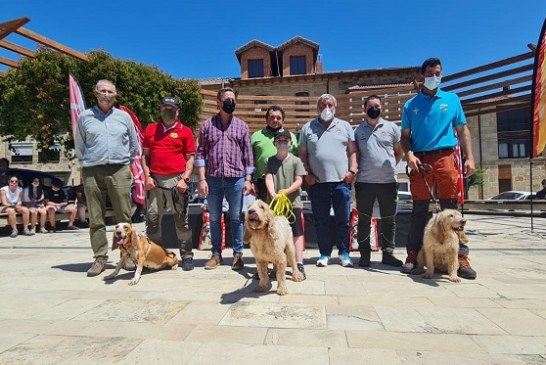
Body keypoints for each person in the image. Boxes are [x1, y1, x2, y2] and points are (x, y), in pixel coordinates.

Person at [400, 57, 476, 279]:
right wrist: (410, 154)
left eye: (438, 73)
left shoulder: (452, 100)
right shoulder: (410, 105)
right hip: (420, 161)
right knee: (418, 211)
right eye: (431, 73)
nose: (435, 77)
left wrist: (470, 157)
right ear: (422, 75)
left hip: (445, 158)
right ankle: (413, 255)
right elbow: (405, 138)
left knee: (452, 211)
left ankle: (460, 257)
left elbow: (462, 130)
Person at [75, 79, 139, 277]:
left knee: (124, 217)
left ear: (115, 94)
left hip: (119, 169)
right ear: (95, 93)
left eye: (110, 91)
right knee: (95, 217)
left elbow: (134, 145)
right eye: (102, 90)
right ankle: (100, 257)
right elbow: (79, 145)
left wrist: (123, 162)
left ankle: (127, 256)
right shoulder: (84, 117)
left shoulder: (123, 117)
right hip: (92, 171)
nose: (106, 94)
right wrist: (88, 162)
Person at [195, 87, 254, 270]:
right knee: (214, 217)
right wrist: (202, 179)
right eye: (227, 99)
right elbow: (200, 154)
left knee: (236, 217)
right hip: (212, 178)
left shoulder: (242, 126)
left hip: (236, 179)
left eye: (233, 99)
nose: (231, 102)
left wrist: (248, 179)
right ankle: (216, 254)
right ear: (218, 103)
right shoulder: (207, 126)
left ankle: (238, 255)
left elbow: (248, 155)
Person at [299, 94, 358, 267]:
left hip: (341, 182)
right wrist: (307, 175)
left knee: (343, 219)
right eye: (323, 105)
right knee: (321, 221)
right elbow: (303, 155)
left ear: (335, 107)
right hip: (317, 183)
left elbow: (353, 151)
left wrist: (352, 171)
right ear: (318, 108)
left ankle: (344, 253)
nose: (327, 108)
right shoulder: (308, 128)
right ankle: (324, 253)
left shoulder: (345, 126)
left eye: (330, 105)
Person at [141, 96, 196, 271]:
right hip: (154, 180)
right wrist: (147, 176)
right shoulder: (150, 130)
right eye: (165, 108)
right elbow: (145, 156)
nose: (168, 111)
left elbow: (190, 159)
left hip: (176, 180)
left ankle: (186, 256)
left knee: (181, 220)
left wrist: (184, 179)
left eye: (172, 108)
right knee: (152, 219)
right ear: (160, 110)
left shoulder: (185, 131)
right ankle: (157, 256)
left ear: (177, 111)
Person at [355, 95, 404, 267]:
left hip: (388, 182)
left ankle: (388, 254)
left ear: (381, 108)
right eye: (370, 106)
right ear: (364, 109)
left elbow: (399, 152)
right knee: (363, 220)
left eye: (377, 105)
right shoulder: (358, 130)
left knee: (389, 220)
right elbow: (356, 155)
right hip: (364, 182)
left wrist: (389, 167)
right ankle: (364, 255)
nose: (373, 108)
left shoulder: (392, 128)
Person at [265, 128, 307, 278]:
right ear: (274, 143)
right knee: (275, 235)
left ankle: (299, 264)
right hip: (274, 205)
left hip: (293, 204)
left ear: (290, 143)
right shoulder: (270, 160)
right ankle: (276, 265)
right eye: (279, 141)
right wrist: (273, 193)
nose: (282, 143)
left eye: (285, 141)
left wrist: (287, 191)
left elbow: (299, 180)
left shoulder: (296, 161)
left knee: (296, 234)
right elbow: (269, 178)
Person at [251, 105, 298, 201]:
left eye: (278, 118)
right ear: (267, 119)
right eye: (272, 117)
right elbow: (249, 161)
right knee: (266, 214)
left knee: (286, 214)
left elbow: (297, 160)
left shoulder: (292, 137)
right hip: (262, 184)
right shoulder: (256, 136)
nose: (275, 120)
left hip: (287, 183)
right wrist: (251, 181)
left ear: (283, 120)